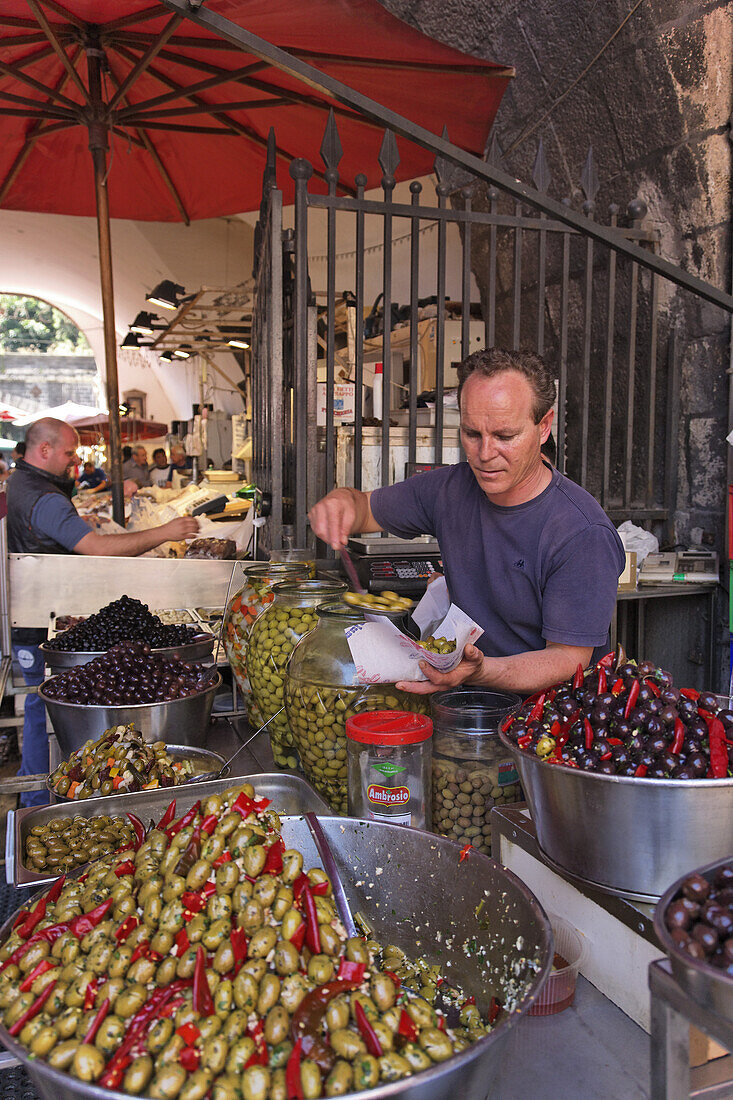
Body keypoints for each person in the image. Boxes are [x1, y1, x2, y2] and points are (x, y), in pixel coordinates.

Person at [309, 347, 625, 696]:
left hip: (546, 723)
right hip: (466, 706)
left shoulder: (581, 532)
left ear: (544, 426)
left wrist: (479, 671)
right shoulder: (450, 489)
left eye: (505, 436)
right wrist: (342, 502)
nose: (485, 454)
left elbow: (567, 660)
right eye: (472, 434)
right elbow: (365, 508)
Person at [7, 418, 200, 805]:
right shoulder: (42, 497)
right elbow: (97, 549)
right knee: (37, 706)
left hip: (36, 612)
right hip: (37, 618)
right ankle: (35, 799)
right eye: (67, 452)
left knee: (35, 704)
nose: (73, 460)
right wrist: (166, 532)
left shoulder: (22, 483)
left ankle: (32, 788)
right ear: (43, 450)